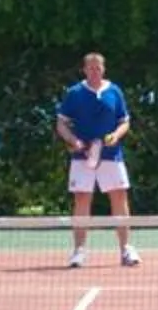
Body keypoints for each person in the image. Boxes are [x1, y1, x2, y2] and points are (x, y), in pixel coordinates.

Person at [54, 51, 139, 266]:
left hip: (112, 156)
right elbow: (61, 124)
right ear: (84, 70)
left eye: (98, 68)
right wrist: (73, 140)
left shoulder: (114, 92)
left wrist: (116, 136)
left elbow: (125, 122)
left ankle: (126, 250)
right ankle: (79, 251)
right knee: (82, 199)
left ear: (103, 69)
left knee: (119, 198)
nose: (94, 71)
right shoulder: (75, 93)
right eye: (90, 68)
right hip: (82, 157)